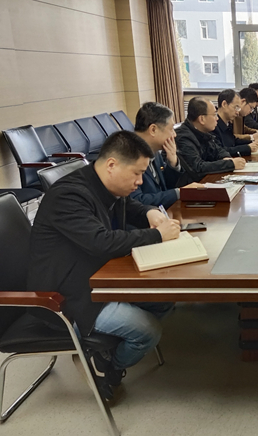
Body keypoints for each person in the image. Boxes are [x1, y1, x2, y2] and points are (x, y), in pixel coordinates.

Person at [27, 131, 182, 400]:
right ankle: (109, 366)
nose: (139, 182)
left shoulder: (101, 183)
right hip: (67, 294)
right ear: (112, 165)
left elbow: (127, 204)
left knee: (164, 300)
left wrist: (149, 212)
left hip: (97, 275)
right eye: (136, 174)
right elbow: (101, 242)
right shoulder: (68, 196)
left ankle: (105, 349)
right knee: (148, 332)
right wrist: (157, 235)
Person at [131, 102, 203, 207]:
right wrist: (179, 193)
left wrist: (173, 163)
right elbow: (137, 201)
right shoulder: (128, 155)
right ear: (153, 130)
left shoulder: (155, 150)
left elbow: (165, 188)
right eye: (171, 129)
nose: (174, 134)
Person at [175, 96, 245, 182]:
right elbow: (197, 168)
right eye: (214, 114)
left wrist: (226, 157)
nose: (217, 118)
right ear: (202, 119)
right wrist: (230, 164)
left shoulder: (203, 132)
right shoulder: (183, 137)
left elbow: (218, 150)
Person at [213, 89, 258, 157]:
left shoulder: (228, 123)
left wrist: (252, 143)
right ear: (224, 104)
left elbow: (233, 141)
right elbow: (221, 151)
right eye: (236, 107)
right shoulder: (213, 126)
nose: (237, 112)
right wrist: (247, 148)